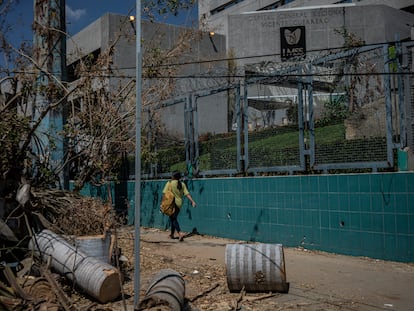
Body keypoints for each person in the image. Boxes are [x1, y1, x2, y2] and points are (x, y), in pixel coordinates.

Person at [162, 171, 196, 241]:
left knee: (173, 219)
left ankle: (180, 233)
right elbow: (187, 194)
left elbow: (164, 194)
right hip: (179, 204)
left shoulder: (169, 183)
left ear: (173, 177)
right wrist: (192, 201)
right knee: (173, 218)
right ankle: (172, 234)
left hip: (171, 203)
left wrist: (162, 203)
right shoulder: (182, 184)